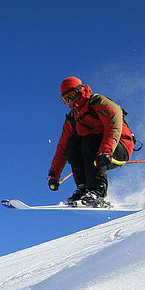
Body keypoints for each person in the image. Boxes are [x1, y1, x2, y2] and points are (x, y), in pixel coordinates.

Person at [48, 76, 135, 207]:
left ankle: (97, 192)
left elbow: (113, 126)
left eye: (72, 95)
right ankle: (83, 188)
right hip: (95, 151)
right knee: (72, 144)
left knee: (89, 140)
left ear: (80, 90)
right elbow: (62, 148)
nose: (70, 100)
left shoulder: (98, 103)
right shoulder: (72, 118)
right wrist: (54, 175)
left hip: (118, 148)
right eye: (66, 99)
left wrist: (106, 152)